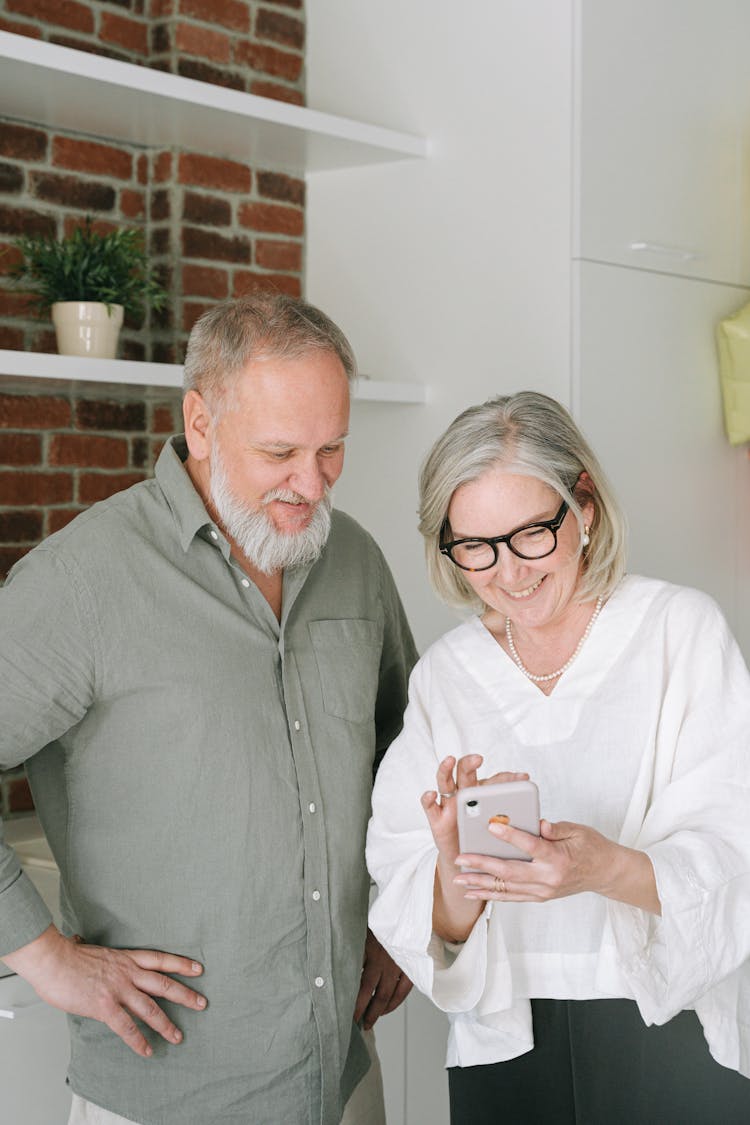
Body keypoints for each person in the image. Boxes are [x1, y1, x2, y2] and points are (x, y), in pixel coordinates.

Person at [0, 293, 417, 1125]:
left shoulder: (356, 561)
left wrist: (400, 914)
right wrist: (41, 954)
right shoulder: (81, 582)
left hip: (340, 1073)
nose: (312, 481)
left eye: (332, 448)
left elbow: (406, 749)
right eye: (280, 451)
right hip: (169, 1093)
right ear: (199, 422)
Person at [366, 390, 750, 1124]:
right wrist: (456, 871)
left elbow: (736, 845)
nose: (508, 571)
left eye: (531, 533)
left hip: (665, 1034)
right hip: (505, 1050)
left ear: (586, 507)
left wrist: (599, 867)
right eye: (474, 545)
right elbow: (411, 896)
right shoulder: (448, 675)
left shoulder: (680, 633)